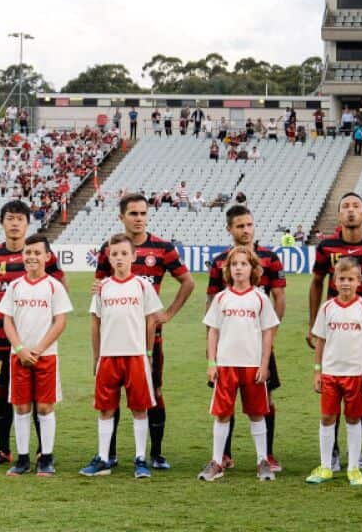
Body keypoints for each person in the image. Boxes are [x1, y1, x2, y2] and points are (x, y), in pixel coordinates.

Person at [94, 193, 195, 470]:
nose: (139, 218)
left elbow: (187, 281)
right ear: (122, 217)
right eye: (133, 213)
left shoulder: (162, 248)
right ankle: (109, 454)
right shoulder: (110, 248)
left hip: (148, 339)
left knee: (154, 391)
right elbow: (99, 287)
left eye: (143, 213)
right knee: (111, 396)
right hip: (115, 341)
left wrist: (168, 314)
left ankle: (156, 454)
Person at [308, 193, 362, 472]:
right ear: (339, 214)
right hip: (336, 328)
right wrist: (313, 324)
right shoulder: (327, 246)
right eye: (345, 206)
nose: (350, 210)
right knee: (332, 387)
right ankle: (333, 451)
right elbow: (316, 282)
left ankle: (355, 449)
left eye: (355, 206)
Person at [0, 200, 65, 468]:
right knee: (3, 393)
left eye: (20, 219)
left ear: (27, 223)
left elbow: (59, 283)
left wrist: (53, 318)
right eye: (10, 219)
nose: (14, 224)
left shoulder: (41, 253)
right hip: (3, 338)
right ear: (2, 222)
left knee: (37, 396)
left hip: (36, 340)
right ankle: (4, 450)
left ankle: (41, 452)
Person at [208, 206, 287, 472]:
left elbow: (279, 298)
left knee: (265, 399)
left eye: (249, 224)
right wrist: (211, 352)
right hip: (228, 348)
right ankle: (224, 455)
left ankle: (267, 455)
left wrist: (270, 336)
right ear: (229, 229)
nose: (246, 230)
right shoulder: (220, 261)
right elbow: (211, 301)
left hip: (257, 345)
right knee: (225, 401)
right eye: (240, 226)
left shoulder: (270, 258)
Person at [80, 234, 164, 478]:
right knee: (105, 409)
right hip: (109, 356)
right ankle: (103, 458)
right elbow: (95, 323)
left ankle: (140, 459)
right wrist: (96, 356)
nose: (119, 258)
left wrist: (149, 352)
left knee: (139, 408)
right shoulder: (102, 287)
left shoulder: (142, 285)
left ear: (133, 256)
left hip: (135, 355)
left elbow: (151, 321)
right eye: (114, 254)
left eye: (124, 253)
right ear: (108, 257)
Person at [198, 247, 280, 482]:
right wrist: (211, 362)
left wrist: (264, 364)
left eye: (243, 264)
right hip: (226, 366)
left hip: (252, 366)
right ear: (228, 269)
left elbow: (267, 333)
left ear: (253, 269)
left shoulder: (260, 298)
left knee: (257, 414)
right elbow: (213, 331)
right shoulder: (221, 298)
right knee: (222, 414)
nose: (238, 268)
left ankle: (262, 461)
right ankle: (217, 461)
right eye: (234, 264)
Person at [0, 235, 72, 476]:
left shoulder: (54, 286)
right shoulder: (15, 286)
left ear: (47, 256)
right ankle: (22, 459)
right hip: (19, 356)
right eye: (28, 252)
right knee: (20, 407)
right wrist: (20, 348)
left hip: (45, 356)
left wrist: (38, 349)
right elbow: (7, 320)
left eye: (37, 253)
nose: (32, 257)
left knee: (45, 407)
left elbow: (60, 322)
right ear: (22, 255)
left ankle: (46, 458)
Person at [306, 258, 362, 486]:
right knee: (327, 417)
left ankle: (353, 468)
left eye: (350, 279)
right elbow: (320, 341)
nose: (346, 283)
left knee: (353, 418)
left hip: (355, 374)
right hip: (330, 373)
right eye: (342, 279)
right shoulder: (327, 308)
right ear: (334, 281)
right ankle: (325, 466)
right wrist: (317, 371)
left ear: (359, 281)